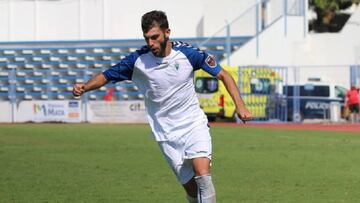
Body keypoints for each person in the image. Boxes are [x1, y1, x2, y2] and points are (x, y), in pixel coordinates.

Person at [73, 10, 252, 203]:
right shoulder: (138, 61)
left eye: (155, 37)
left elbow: (224, 75)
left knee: (203, 174)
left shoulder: (188, 54)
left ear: (167, 32)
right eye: (147, 38)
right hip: (165, 133)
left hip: (193, 124)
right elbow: (106, 75)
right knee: (192, 191)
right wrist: (85, 87)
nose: (150, 43)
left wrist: (240, 106)